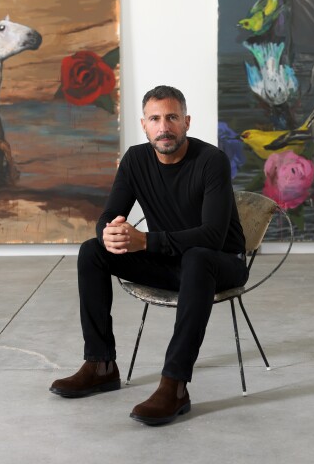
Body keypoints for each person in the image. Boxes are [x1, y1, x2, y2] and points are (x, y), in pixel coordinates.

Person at [49, 85, 248, 425]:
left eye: (171, 117)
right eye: (155, 119)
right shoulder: (136, 160)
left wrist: (146, 242)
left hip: (220, 264)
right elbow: (108, 216)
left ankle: (175, 385)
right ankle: (101, 365)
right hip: (169, 263)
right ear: (144, 125)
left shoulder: (211, 160)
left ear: (186, 121)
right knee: (92, 252)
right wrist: (107, 233)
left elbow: (213, 236)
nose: (164, 127)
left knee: (198, 257)